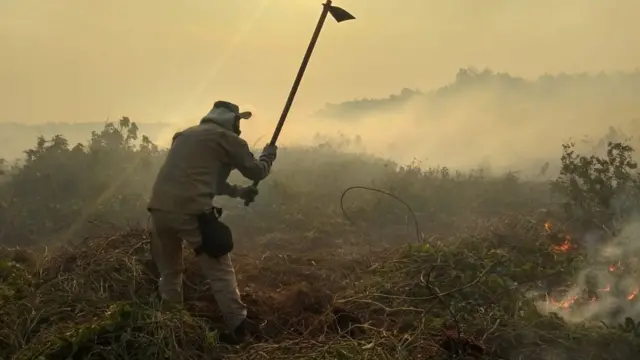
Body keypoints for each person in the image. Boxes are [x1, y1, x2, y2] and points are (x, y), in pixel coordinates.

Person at [146, 100, 277, 344]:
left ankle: (171, 330)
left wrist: (240, 192)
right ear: (233, 121)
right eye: (239, 122)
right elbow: (256, 171)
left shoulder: (185, 136)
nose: (240, 128)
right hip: (191, 211)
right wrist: (269, 156)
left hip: (159, 209)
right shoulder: (228, 140)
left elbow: (211, 181)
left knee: (170, 272)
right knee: (219, 268)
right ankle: (239, 326)